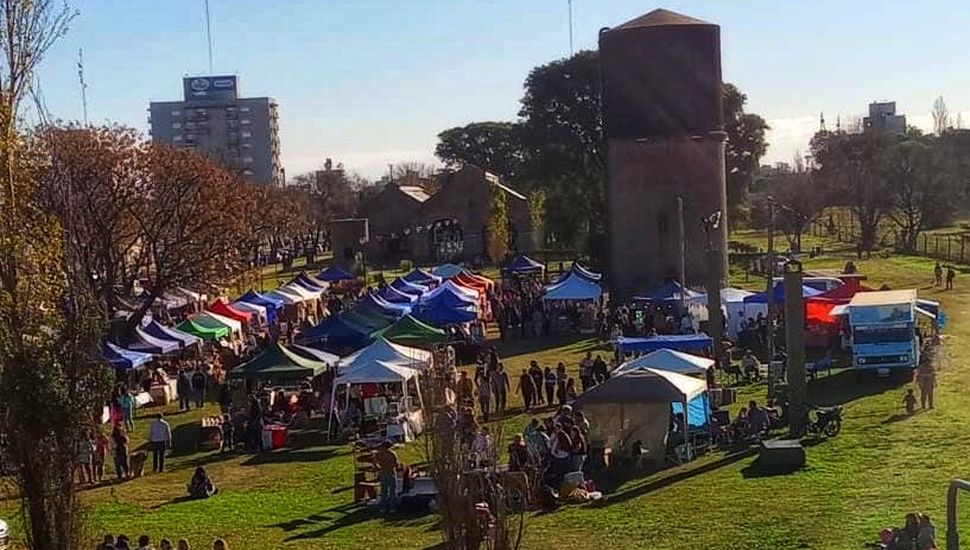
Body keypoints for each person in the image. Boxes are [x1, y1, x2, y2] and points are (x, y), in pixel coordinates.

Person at [373, 440, 399, 513]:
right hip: (391, 472)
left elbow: (375, 463)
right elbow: (396, 464)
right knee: (392, 491)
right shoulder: (392, 453)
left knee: (383, 491)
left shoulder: (378, 453)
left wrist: (379, 468)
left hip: (382, 472)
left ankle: (383, 508)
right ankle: (392, 508)